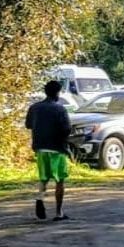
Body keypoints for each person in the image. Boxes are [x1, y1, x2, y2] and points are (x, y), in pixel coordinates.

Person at [26, 80, 72, 221]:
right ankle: (59, 212)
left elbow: (28, 125)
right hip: (57, 149)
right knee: (60, 180)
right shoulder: (60, 109)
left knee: (44, 178)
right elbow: (67, 129)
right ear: (57, 93)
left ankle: (39, 198)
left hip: (40, 148)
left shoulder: (34, 107)